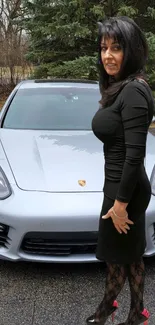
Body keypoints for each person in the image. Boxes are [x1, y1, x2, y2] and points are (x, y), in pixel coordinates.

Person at [86, 16, 154, 325]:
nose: (107, 55)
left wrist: (121, 204)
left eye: (116, 48)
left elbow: (135, 154)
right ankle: (134, 311)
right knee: (127, 256)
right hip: (118, 188)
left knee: (118, 256)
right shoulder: (119, 87)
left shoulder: (133, 91)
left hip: (124, 192)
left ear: (132, 50)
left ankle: (108, 310)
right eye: (103, 48)